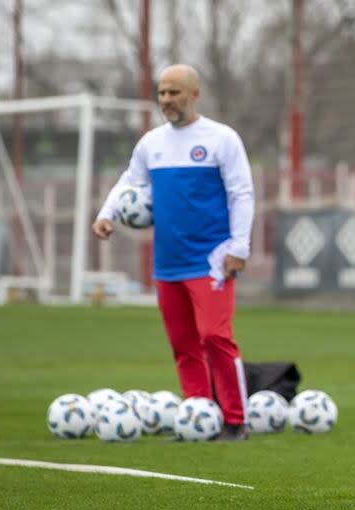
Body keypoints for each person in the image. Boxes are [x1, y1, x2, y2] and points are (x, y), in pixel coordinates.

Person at [92, 64, 255, 441]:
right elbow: (130, 182)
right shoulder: (151, 143)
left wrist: (239, 247)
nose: (166, 100)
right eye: (162, 92)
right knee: (183, 345)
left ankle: (235, 420)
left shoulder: (221, 138)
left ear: (194, 95)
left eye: (174, 92)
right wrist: (107, 213)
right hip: (168, 262)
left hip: (212, 260)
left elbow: (241, 193)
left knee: (215, 337)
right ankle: (198, 418)